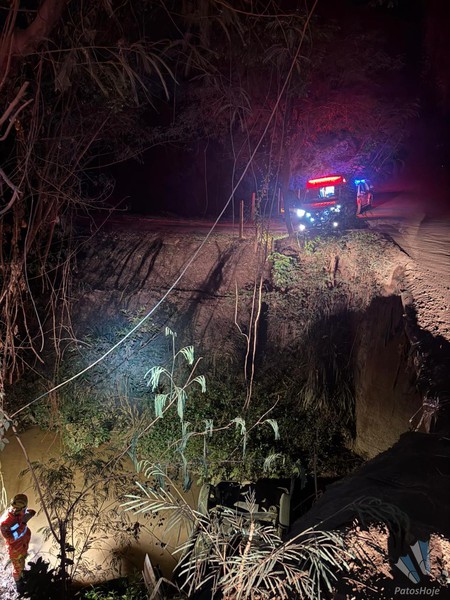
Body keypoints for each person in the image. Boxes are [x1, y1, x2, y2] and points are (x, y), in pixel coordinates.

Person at [0, 493, 36, 592]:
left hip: (23, 545)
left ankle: (23, 577)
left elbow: (25, 514)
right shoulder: (5, 523)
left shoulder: (20, 511)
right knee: (17, 568)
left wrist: (30, 513)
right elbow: (11, 539)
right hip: (15, 549)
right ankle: (20, 587)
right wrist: (23, 523)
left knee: (22, 564)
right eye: (23, 509)